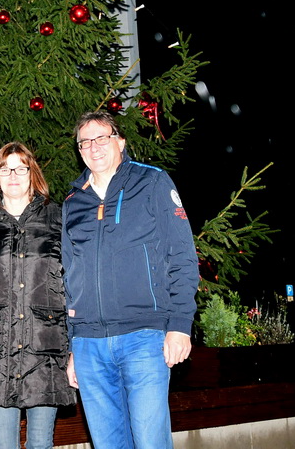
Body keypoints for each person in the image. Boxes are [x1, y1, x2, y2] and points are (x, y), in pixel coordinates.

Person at [61, 111, 198, 449]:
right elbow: (68, 276)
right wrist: (73, 345)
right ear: (79, 150)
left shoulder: (152, 182)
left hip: (144, 338)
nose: (94, 147)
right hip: (90, 345)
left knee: (150, 441)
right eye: (85, 142)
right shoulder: (72, 201)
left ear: (120, 141)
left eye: (102, 137)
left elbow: (182, 254)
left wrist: (180, 324)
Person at [0, 142, 76, 449]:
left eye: (21, 168)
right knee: (2, 445)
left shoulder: (59, 218)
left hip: (46, 348)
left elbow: (75, 282)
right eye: (5, 168)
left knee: (41, 443)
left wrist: (77, 345)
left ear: (33, 174)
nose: (13, 175)